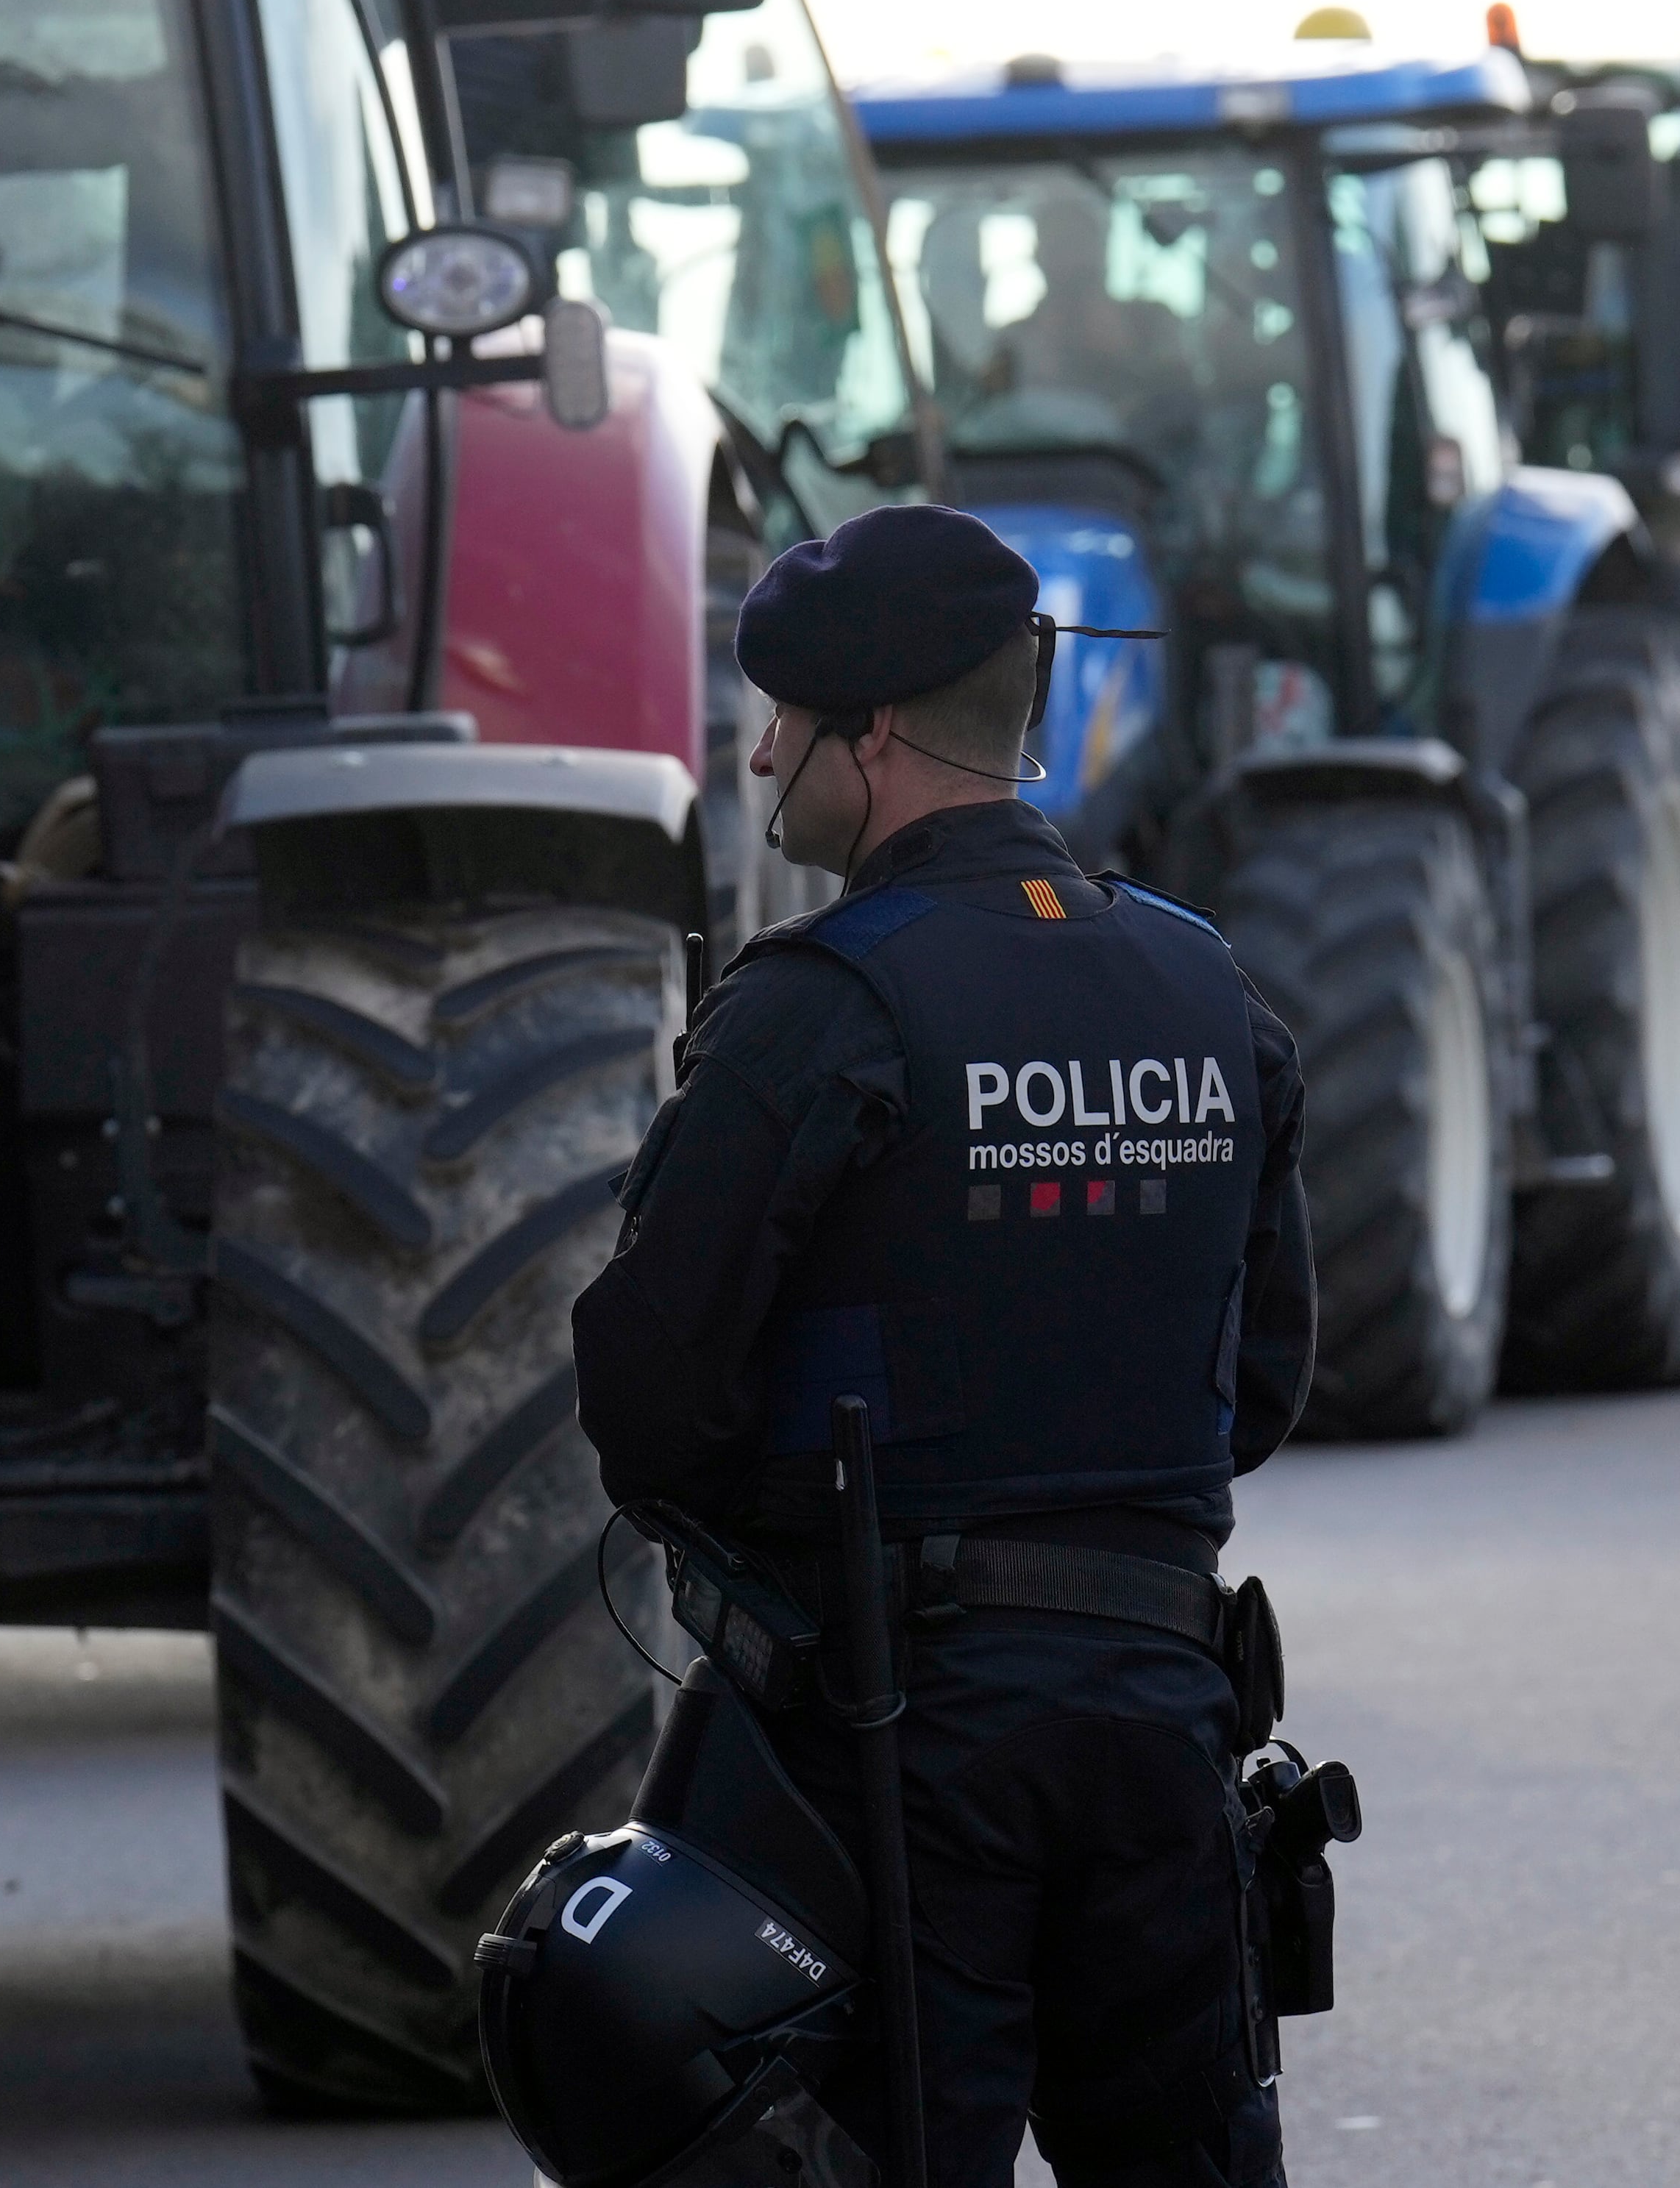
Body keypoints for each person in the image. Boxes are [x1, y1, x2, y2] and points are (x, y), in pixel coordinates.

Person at [570, 505, 1315, 2187]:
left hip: (904, 1733)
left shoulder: (821, 1006)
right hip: (1162, 1706)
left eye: (784, 722)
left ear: (877, 735)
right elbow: (1257, 1383)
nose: (761, 753)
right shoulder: (1210, 995)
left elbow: (646, 1388)